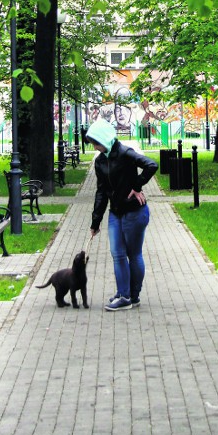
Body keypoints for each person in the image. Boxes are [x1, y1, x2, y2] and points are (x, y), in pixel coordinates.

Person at [86, 119, 158, 311]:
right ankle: (124, 294)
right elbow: (101, 192)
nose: (94, 146)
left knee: (133, 254)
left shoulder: (125, 153)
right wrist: (95, 222)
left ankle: (132, 296)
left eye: (96, 141)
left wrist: (136, 186)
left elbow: (151, 165)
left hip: (134, 212)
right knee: (117, 254)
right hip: (115, 213)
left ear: (105, 138)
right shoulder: (100, 161)